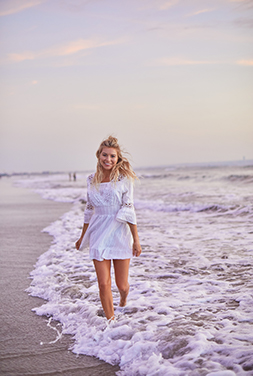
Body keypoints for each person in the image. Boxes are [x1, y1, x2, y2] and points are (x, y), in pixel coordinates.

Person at [75, 136, 142, 321]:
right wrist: (83, 237)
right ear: (99, 155)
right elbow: (89, 210)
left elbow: (129, 208)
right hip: (98, 231)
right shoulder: (91, 179)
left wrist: (136, 239)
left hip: (119, 230)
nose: (108, 159)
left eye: (113, 156)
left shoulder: (124, 179)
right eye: (105, 155)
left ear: (118, 158)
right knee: (103, 284)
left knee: (121, 284)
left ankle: (123, 298)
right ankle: (110, 322)